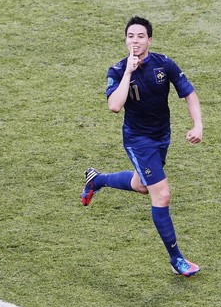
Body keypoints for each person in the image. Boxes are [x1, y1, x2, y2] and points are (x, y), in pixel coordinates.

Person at [81, 16, 203, 277]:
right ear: (125, 40)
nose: (134, 41)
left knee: (140, 186)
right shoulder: (116, 70)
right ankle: (177, 260)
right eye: (130, 36)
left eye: (140, 36)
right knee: (162, 195)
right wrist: (128, 71)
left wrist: (198, 125)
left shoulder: (164, 64)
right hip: (138, 140)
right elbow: (115, 106)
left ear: (149, 40)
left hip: (162, 137)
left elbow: (189, 93)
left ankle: (97, 180)